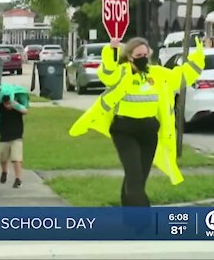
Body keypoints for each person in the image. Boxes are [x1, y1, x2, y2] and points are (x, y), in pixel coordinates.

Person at [69, 37, 205, 206]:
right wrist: (111, 50)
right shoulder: (122, 73)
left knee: (139, 179)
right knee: (134, 177)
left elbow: (182, 76)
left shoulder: (156, 73)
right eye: (139, 54)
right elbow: (107, 73)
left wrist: (198, 56)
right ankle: (143, 222)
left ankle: (129, 218)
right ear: (129, 56)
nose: (143, 58)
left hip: (148, 132)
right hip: (124, 131)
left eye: (145, 55)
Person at [0, 95, 28, 188]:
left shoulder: (17, 106)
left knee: (16, 158)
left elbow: (25, 111)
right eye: (6, 103)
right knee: (3, 158)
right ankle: (4, 171)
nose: (7, 105)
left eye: (8, 103)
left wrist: (15, 105)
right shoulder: (0, 106)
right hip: (4, 135)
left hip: (17, 136)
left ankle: (18, 179)